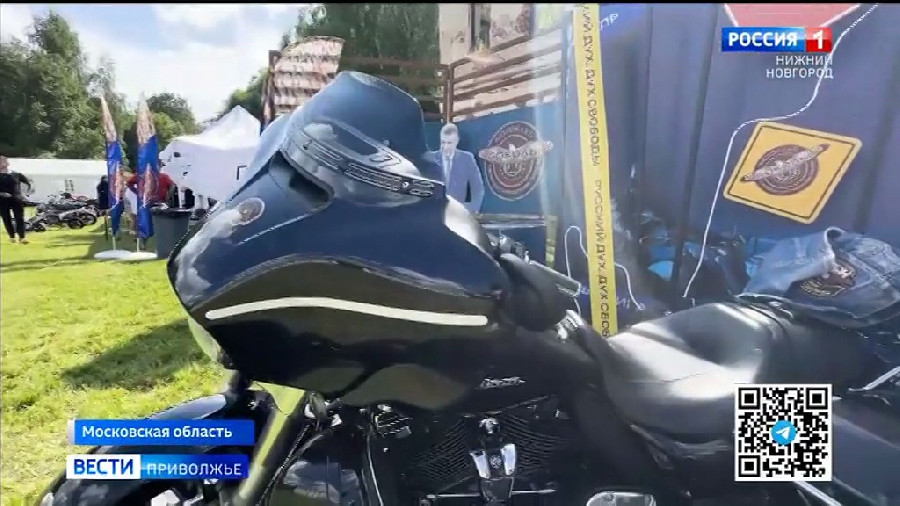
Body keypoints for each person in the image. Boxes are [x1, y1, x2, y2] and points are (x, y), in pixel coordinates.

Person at [427, 123, 485, 213]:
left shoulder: (467, 159)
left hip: (457, 213)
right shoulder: (429, 158)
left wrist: (473, 209)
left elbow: (478, 188)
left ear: (457, 141)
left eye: (449, 143)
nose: (445, 147)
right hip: (433, 212)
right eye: (443, 142)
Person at [0, 155, 32, 244]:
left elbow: (28, 183)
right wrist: (1, 193)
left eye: (2, 161)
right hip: (2, 200)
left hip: (16, 198)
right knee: (6, 218)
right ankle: (12, 236)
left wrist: (24, 194)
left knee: (19, 218)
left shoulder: (16, 174)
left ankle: (22, 237)